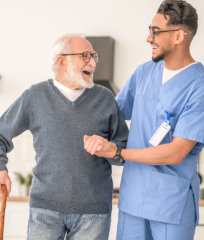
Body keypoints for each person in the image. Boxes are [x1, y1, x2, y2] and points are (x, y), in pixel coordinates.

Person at [84, 0, 204, 239]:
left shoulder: (203, 88)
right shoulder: (144, 73)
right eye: (150, 31)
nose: (149, 38)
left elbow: (177, 151)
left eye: (156, 32)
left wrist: (118, 152)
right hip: (133, 199)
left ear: (179, 36)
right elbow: (111, 115)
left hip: (170, 203)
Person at [0, 33, 128, 240]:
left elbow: (124, 149)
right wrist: (1, 168)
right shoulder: (35, 96)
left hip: (94, 213)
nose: (92, 63)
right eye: (85, 56)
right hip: (45, 210)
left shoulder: (105, 98)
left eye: (94, 56)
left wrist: (110, 150)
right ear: (61, 60)